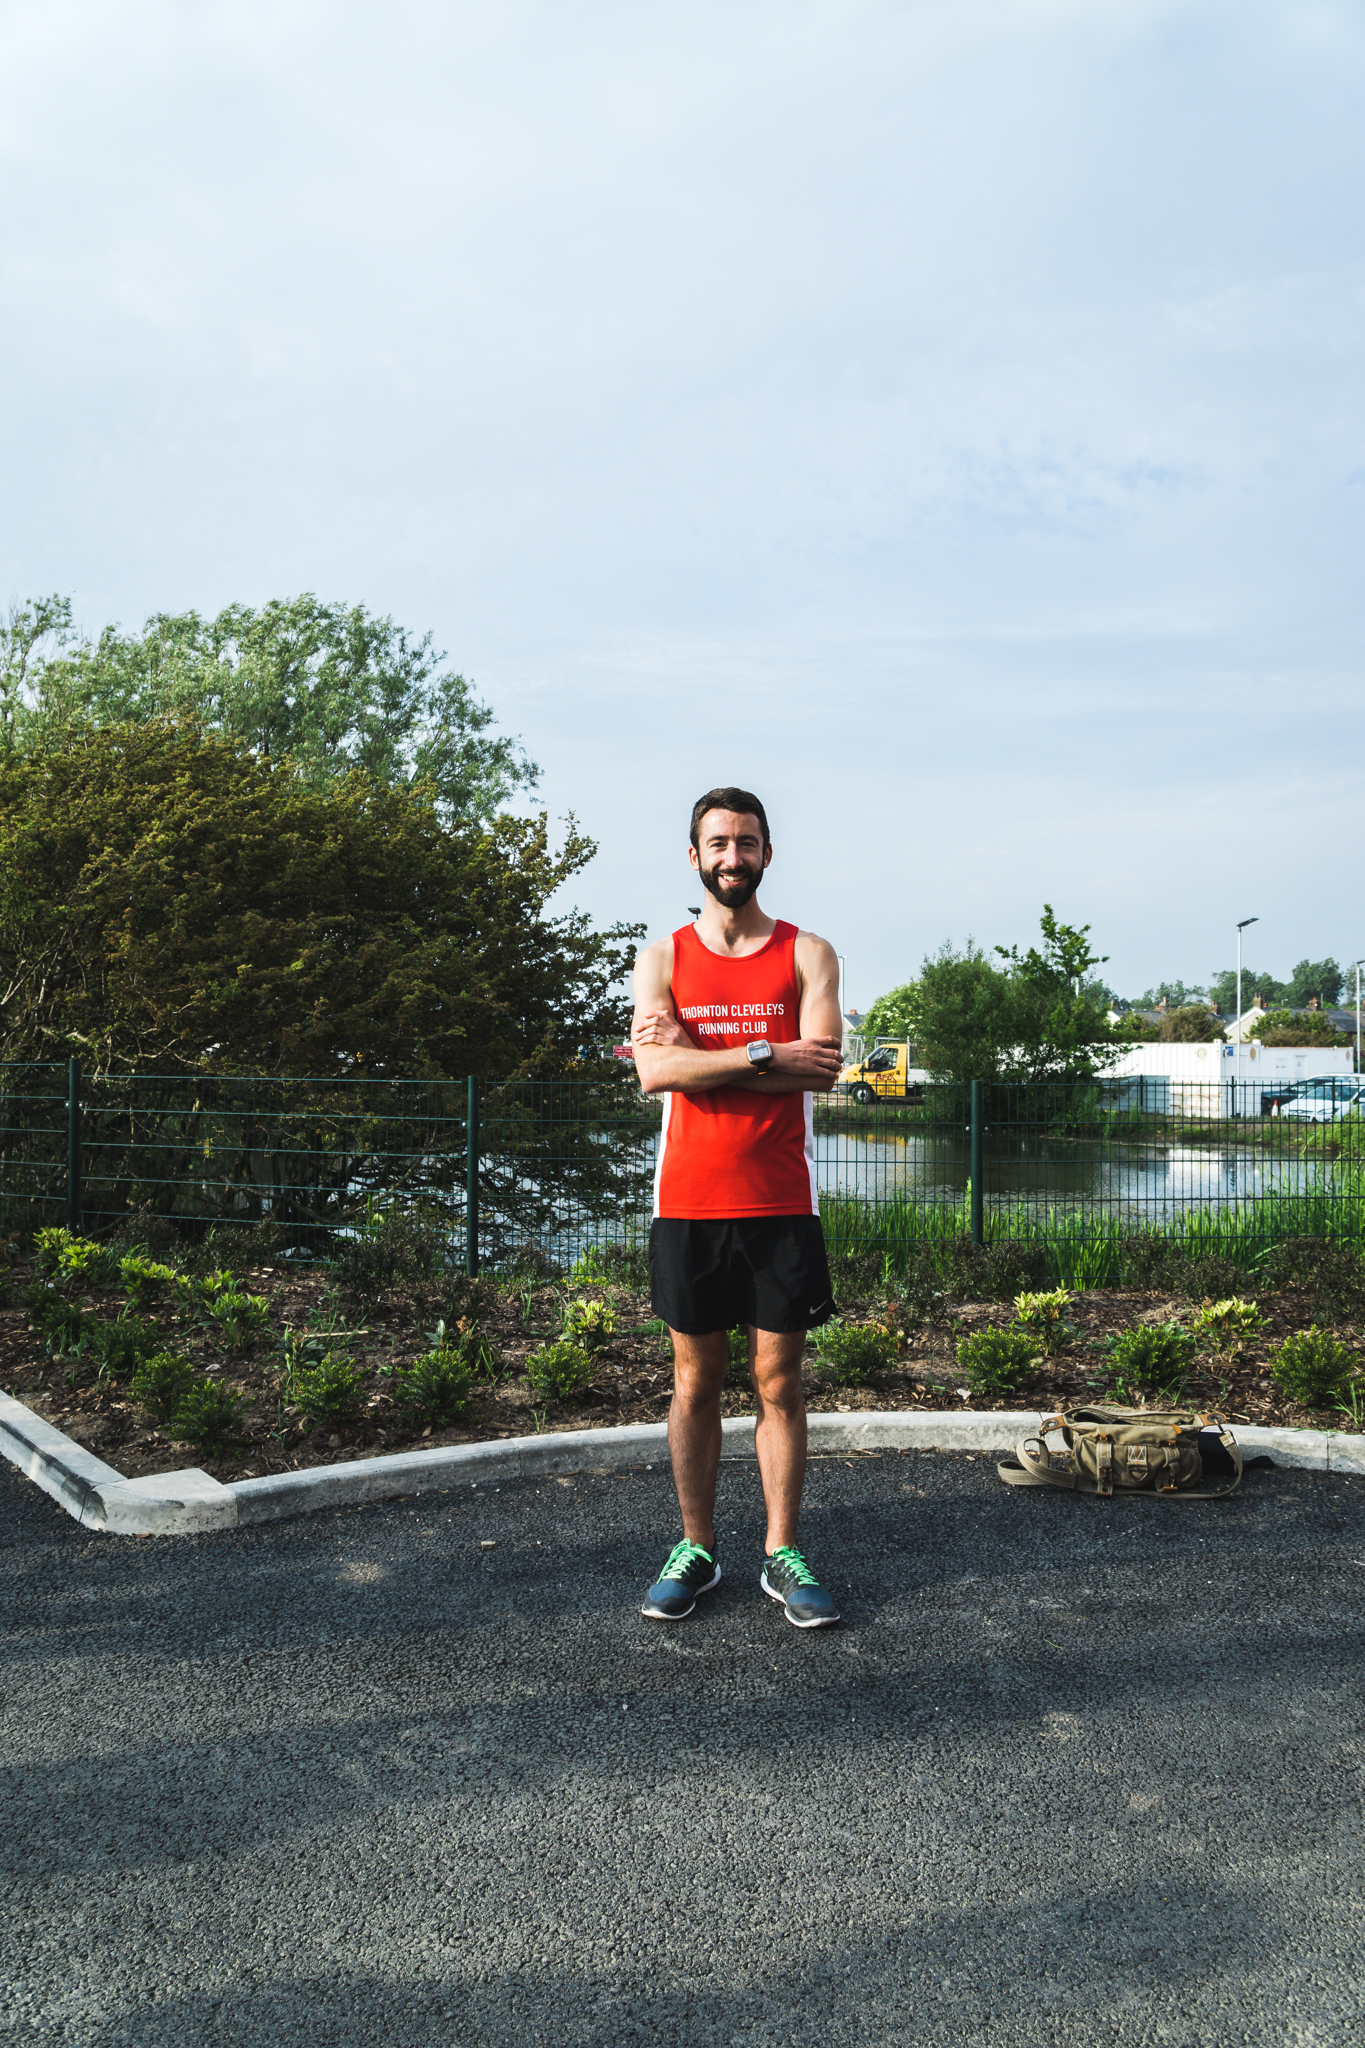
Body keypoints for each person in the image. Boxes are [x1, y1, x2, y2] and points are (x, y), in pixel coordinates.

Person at [630, 787, 844, 1629]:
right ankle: (696, 1547)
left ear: (765, 853)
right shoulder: (662, 959)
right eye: (716, 844)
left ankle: (781, 1553)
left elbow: (820, 1068)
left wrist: (702, 1055)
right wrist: (764, 1050)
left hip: (781, 1201)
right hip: (686, 1201)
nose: (731, 857)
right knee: (694, 1382)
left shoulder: (808, 954)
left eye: (745, 843)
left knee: (779, 1384)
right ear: (694, 856)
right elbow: (655, 1074)